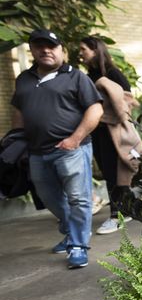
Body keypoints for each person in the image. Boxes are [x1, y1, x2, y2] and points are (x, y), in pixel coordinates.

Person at [10, 29, 103, 269]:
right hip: (37, 151)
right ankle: (71, 231)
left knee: (78, 198)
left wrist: (75, 138)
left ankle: (79, 246)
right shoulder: (24, 79)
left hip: (72, 149)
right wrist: (18, 141)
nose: (46, 50)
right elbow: (19, 110)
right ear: (32, 50)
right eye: (40, 46)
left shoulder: (75, 77)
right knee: (48, 197)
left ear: (62, 50)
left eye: (51, 46)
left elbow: (95, 110)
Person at [79, 36, 134, 234]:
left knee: (114, 172)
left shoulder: (112, 73)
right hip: (97, 132)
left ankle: (116, 215)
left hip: (112, 130)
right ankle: (125, 210)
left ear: (95, 50)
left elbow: (127, 99)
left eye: (84, 49)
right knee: (108, 172)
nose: (81, 53)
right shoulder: (89, 75)